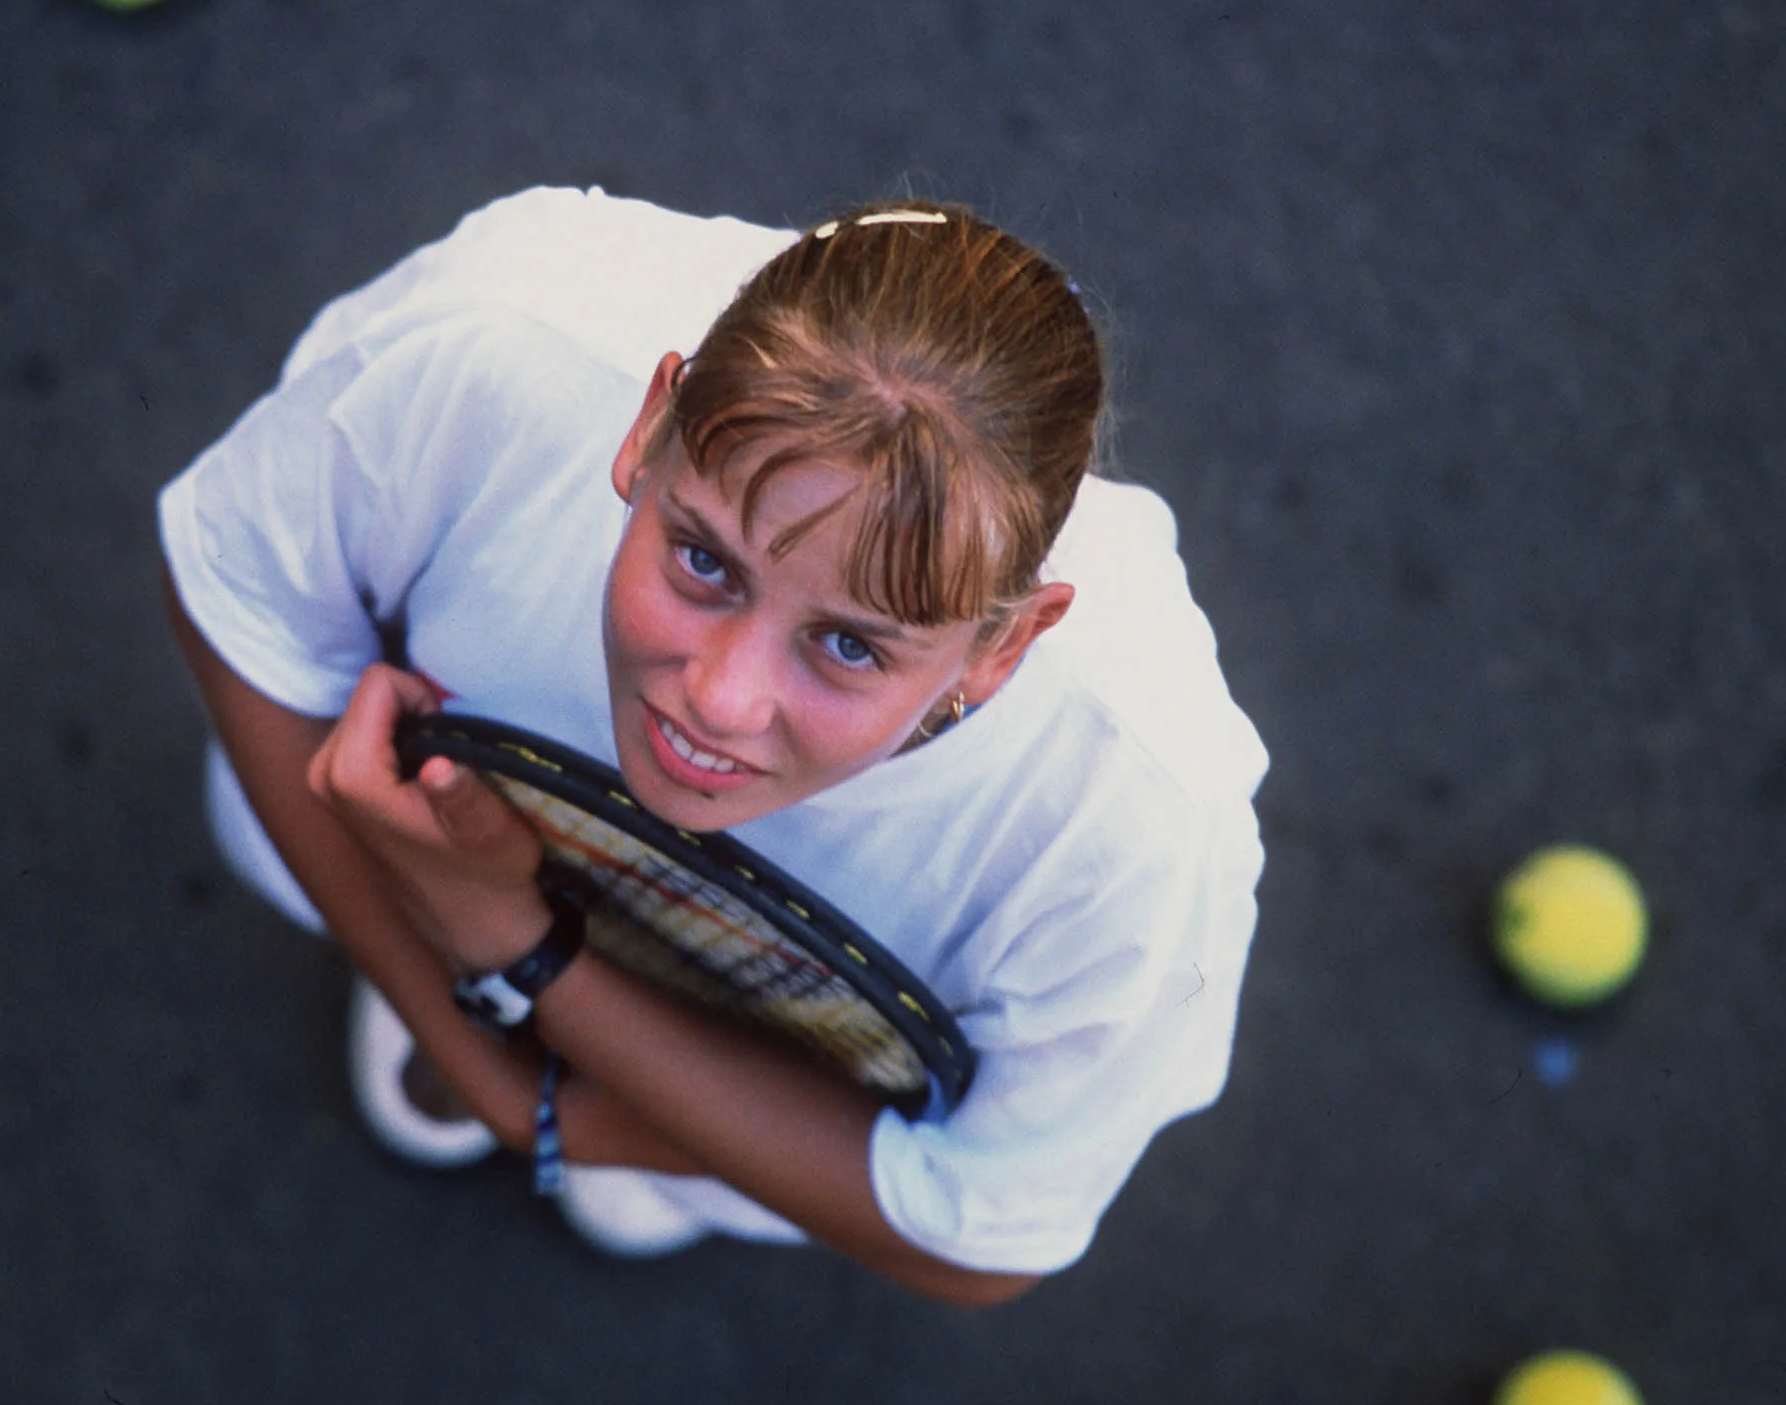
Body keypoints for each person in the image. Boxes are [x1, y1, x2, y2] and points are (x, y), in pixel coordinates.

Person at [159, 186, 1267, 1307]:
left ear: (1002, 646)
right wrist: (465, 1032)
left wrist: (512, 969)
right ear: (648, 430)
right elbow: (243, 607)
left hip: (497, 924)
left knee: (673, 1166)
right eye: (702, 561)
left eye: (846, 643)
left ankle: (655, 1153)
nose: (719, 701)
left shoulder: (1136, 826)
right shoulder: (489, 344)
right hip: (471, 921)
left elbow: (979, 1224)